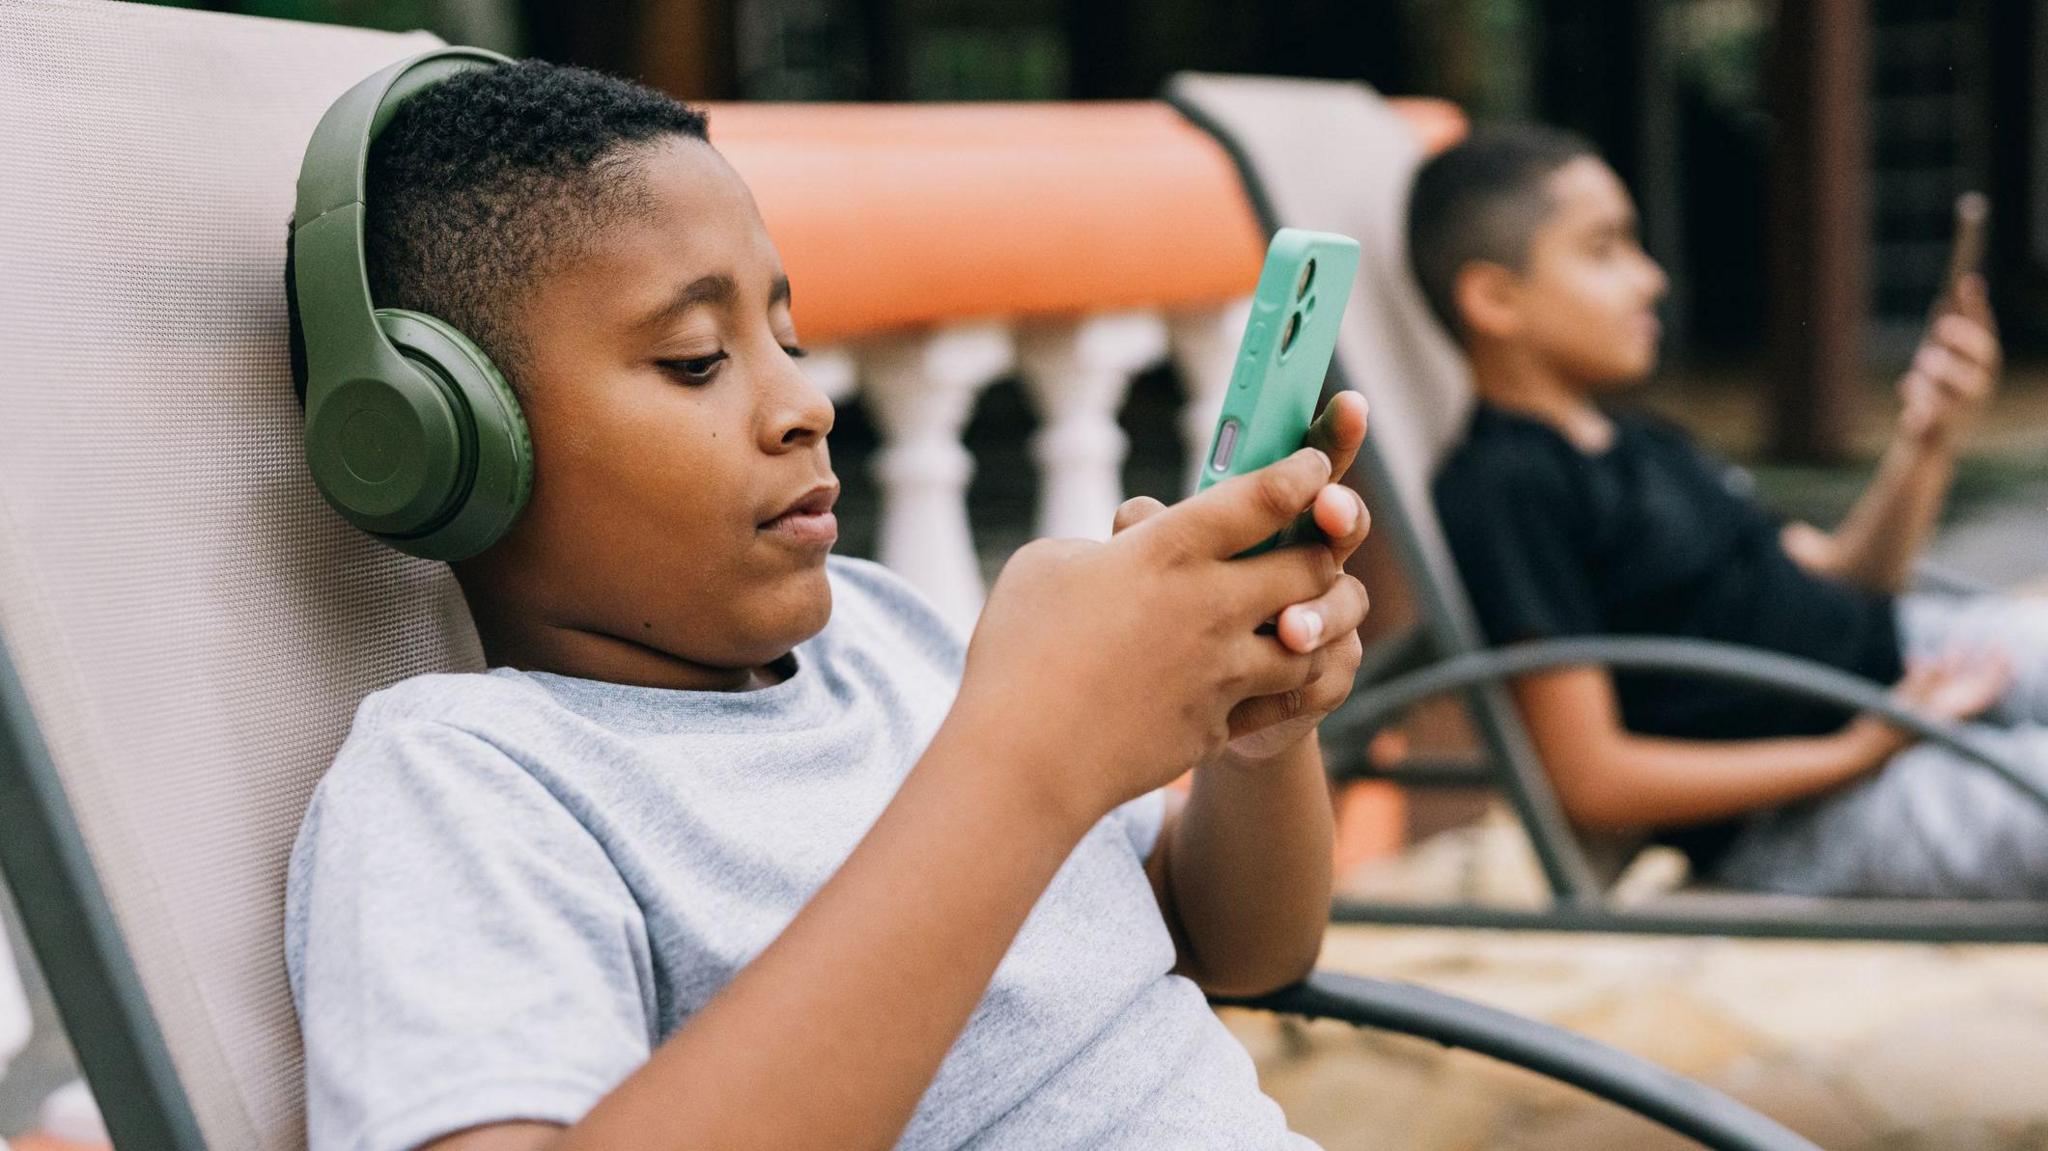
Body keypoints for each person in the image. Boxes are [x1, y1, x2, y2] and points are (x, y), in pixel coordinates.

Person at [283, 58, 1374, 1151]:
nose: (805, 400)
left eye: (788, 340)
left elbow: (1234, 943)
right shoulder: (467, 779)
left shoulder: (883, 633)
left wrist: (1256, 743)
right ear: (448, 439)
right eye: (696, 358)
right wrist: (1026, 761)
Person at [1410, 124, 2048, 900]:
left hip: (1913, 654)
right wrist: (1861, 748)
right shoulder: (1506, 486)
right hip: (1813, 802)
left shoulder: (1645, 440)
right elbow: (1593, 779)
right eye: (1605, 249)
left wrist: (1930, 439)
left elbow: (1851, 573)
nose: (1650, 279)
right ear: (1495, 298)